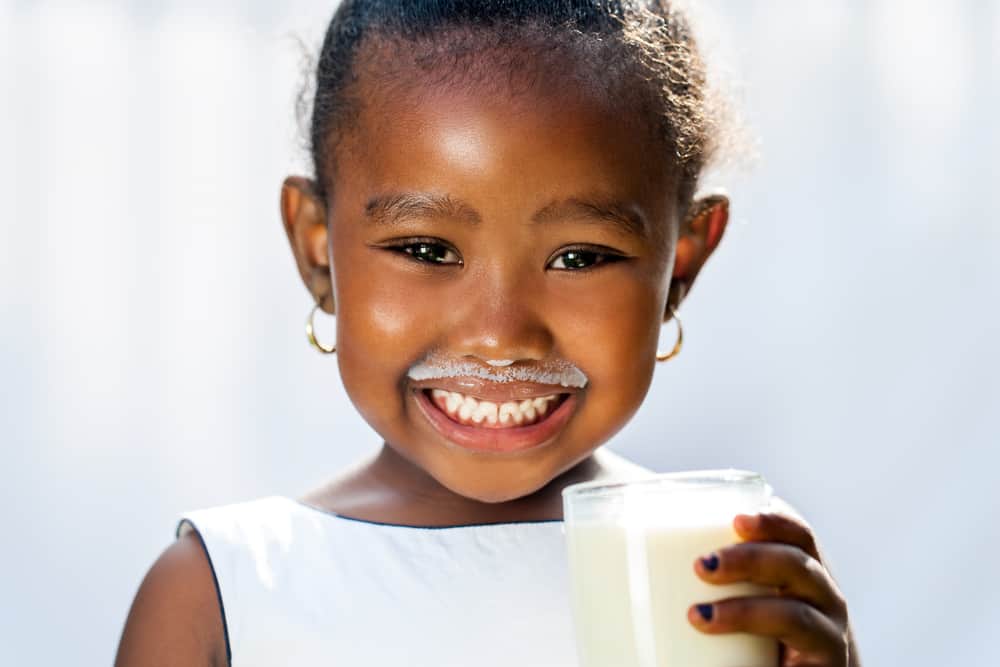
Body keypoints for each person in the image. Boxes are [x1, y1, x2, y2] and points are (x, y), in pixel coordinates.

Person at [116, 1, 860, 665]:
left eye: (579, 257)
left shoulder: (735, 569)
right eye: (426, 250)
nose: (500, 336)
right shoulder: (221, 592)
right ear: (318, 249)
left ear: (681, 266)